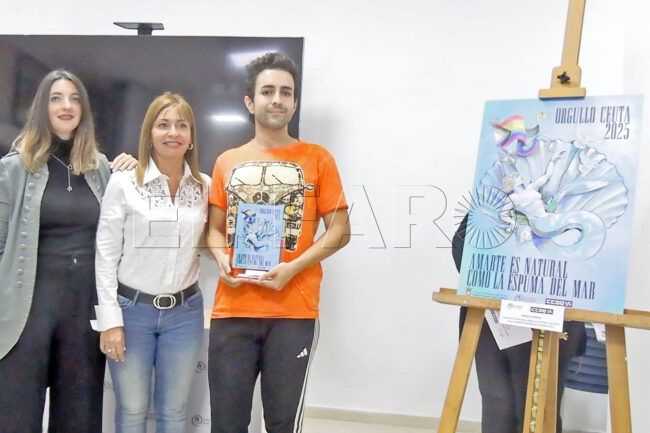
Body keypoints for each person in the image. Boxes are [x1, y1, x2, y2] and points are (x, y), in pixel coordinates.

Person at [207, 52, 350, 433]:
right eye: (267, 91)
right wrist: (220, 258)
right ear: (249, 102)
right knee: (226, 424)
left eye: (286, 92)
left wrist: (293, 268)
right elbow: (214, 229)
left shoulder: (318, 158)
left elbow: (340, 230)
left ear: (295, 103)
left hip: (293, 313)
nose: (277, 99)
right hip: (232, 309)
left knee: (282, 424)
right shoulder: (226, 161)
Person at [0, 69, 136, 432]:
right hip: (27, 310)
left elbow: (124, 233)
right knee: (16, 415)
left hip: (83, 309)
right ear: (41, 108)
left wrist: (136, 172)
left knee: (79, 416)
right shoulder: (13, 168)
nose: (66, 106)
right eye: (56, 98)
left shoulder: (101, 169)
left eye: (75, 99)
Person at [93, 92, 210, 433]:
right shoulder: (124, 183)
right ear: (149, 134)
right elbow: (106, 255)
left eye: (181, 125)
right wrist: (110, 321)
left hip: (185, 312)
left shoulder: (205, 186)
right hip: (132, 312)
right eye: (163, 124)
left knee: (174, 411)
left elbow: (213, 242)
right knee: (132, 410)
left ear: (191, 137)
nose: (173, 132)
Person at [452, 214, 586, 433]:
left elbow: (589, 267)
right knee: (498, 406)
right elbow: (462, 253)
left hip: (552, 319)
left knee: (540, 409)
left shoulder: (574, 208)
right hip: (494, 321)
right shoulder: (492, 202)